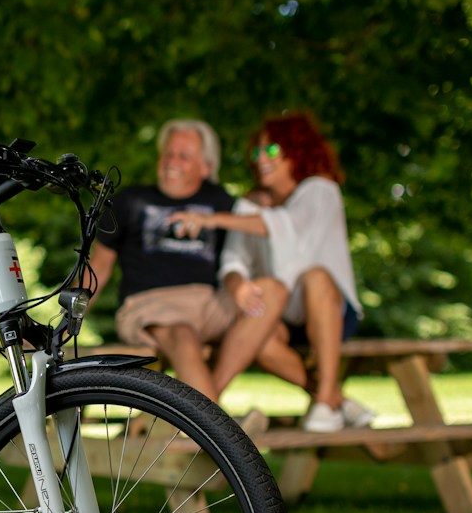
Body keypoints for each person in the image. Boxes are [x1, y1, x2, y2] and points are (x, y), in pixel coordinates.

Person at [170, 112, 373, 431]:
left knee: (316, 277)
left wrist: (212, 219)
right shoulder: (251, 206)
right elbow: (233, 263)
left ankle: (322, 404)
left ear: (297, 151)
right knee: (258, 336)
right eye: (257, 151)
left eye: (272, 150)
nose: (262, 158)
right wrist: (237, 286)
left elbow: (288, 229)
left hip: (329, 312)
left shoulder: (320, 191)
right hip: (285, 316)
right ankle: (335, 399)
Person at [87, 119, 287, 402]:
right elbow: (98, 269)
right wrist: (64, 323)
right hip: (151, 304)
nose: (172, 161)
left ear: (206, 168)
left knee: (271, 294)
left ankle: (209, 422)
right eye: (168, 153)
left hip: (208, 303)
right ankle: (220, 433)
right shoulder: (129, 200)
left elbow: (259, 236)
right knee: (183, 335)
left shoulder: (220, 202)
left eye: (184, 155)